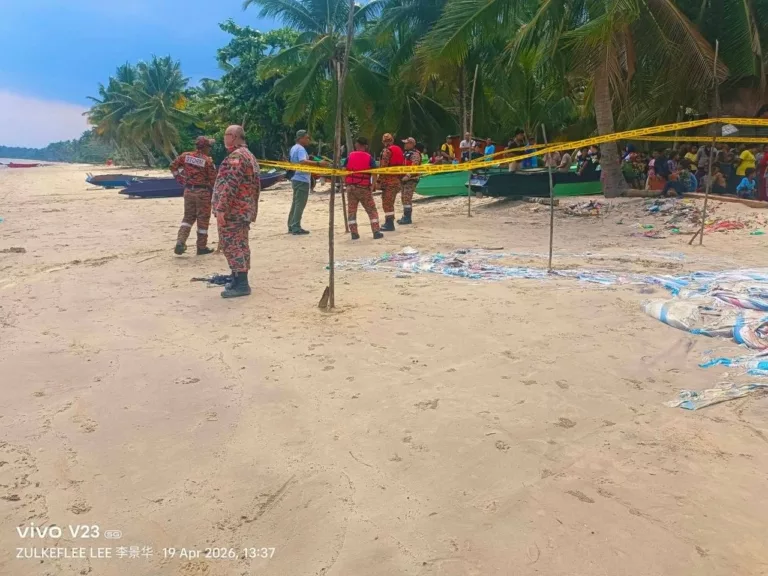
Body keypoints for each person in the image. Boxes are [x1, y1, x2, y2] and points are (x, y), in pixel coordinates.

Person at [212, 125, 260, 299]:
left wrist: (221, 209)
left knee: (231, 244)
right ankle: (237, 276)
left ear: (233, 136)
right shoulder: (248, 155)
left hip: (234, 209)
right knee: (240, 243)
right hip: (243, 208)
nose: (224, 138)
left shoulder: (237, 157)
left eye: (226, 134)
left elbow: (230, 185)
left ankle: (241, 284)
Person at [170, 136, 217, 256]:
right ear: (206, 147)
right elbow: (213, 180)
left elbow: (173, 166)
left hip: (188, 191)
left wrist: (180, 179)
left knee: (188, 218)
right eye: (209, 147)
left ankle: (181, 241)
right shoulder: (207, 161)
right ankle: (201, 247)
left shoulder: (185, 156)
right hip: (202, 192)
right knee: (203, 220)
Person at [288, 130, 329, 235]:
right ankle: (296, 226)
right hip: (302, 178)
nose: (308, 140)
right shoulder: (300, 149)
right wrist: (318, 163)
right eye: (306, 138)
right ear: (300, 138)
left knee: (295, 202)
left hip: (296, 177)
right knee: (300, 203)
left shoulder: (293, 148)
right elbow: (302, 161)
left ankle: (291, 224)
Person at [344, 136, 384, 241]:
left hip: (351, 187)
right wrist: (373, 185)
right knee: (371, 210)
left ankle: (354, 233)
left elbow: (343, 171)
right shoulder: (369, 157)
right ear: (366, 146)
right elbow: (374, 173)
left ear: (356, 145)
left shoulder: (350, 156)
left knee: (352, 210)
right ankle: (376, 231)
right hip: (364, 187)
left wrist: (346, 183)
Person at [373, 133, 405, 231]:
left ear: (383, 142)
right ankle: (389, 222)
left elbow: (383, 167)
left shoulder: (386, 151)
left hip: (388, 181)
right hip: (397, 180)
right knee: (390, 203)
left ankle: (389, 224)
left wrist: (378, 181)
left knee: (387, 203)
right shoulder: (399, 150)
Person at [399, 137, 422, 225]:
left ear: (411, 144)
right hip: (404, 179)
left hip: (411, 179)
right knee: (403, 198)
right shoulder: (406, 154)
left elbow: (414, 167)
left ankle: (408, 218)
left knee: (407, 198)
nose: (405, 145)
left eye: (406, 143)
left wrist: (408, 175)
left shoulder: (415, 154)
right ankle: (405, 216)